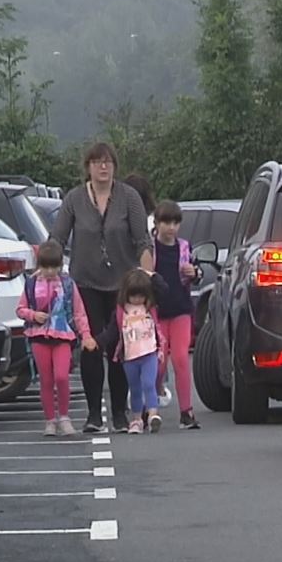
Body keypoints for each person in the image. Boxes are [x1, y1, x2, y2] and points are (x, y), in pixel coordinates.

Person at [51, 143, 154, 433]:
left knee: (121, 347)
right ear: (88, 167)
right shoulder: (74, 199)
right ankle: (94, 413)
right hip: (86, 283)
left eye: (108, 162)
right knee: (91, 346)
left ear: (114, 166)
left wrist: (147, 277)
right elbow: (57, 237)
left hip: (123, 285)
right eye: (97, 162)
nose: (103, 167)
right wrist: (47, 269)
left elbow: (142, 241)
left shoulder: (129, 197)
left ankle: (120, 412)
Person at [15, 240, 98, 436]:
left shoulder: (68, 284)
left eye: (54, 266)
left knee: (61, 376)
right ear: (39, 265)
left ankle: (64, 416)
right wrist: (33, 315)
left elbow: (79, 312)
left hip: (62, 334)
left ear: (61, 265)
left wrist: (86, 335)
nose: (50, 271)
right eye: (46, 266)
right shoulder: (32, 283)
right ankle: (50, 420)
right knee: (45, 379)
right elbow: (20, 309)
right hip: (39, 335)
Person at [97, 269, 169, 434]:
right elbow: (112, 332)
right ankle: (137, 419)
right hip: (130, 357)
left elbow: (164, 290)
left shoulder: (150, 308)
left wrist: (151, 275)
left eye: (141, 296)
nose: (137, 300)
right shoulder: (122, 312)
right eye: (133, 296)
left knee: (149, 384)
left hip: (149, 353)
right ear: (126, 294)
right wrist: (98, 341)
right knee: (135, 388)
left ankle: (152, 414)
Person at [151, 200, 203, 430]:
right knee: (159, 362)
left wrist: (195, 272)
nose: (170, 227)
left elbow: (196, 271)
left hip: (181, 309)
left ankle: (186, 411)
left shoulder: (184, 247)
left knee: (181, 358)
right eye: (165, 222)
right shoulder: (151, 249)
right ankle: (150, 402)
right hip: (157, 312)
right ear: (157, 223)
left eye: (175, 223)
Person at [124, 173, 174, 410]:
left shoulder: (127, 218)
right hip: (151, 283)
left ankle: (136, 392)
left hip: (130, 282)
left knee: (131, 335)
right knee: (153, 335)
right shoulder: (152, 221)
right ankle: (158, 386)